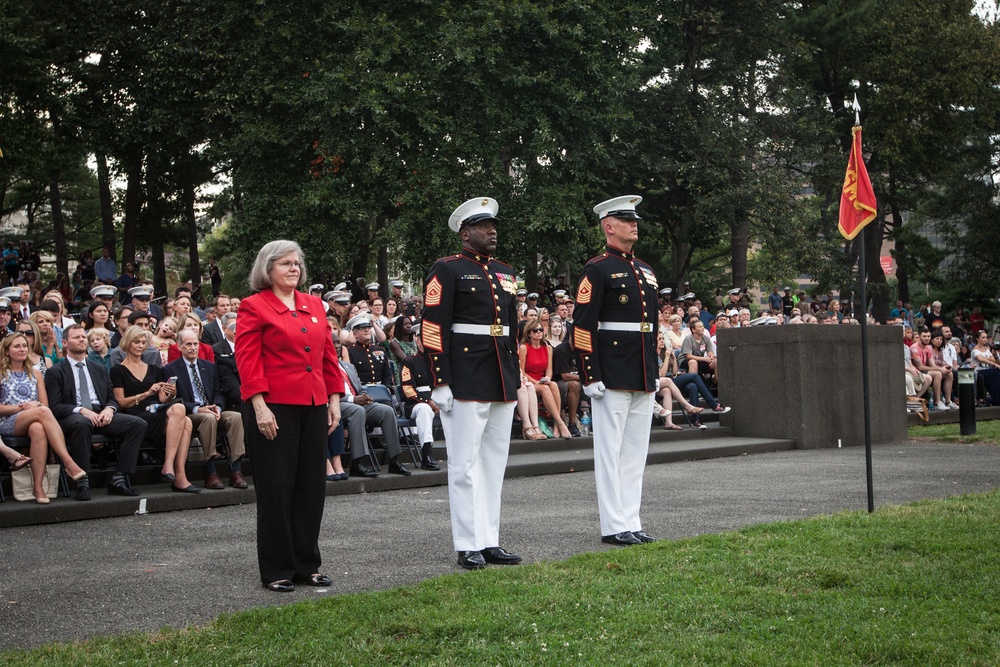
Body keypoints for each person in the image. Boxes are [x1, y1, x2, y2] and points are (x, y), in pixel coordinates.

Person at [235, 240, 343, 593]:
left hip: (314, 404)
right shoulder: (254, 306)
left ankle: (306, 565)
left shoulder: (314, 305)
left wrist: (334, 398)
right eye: (285, 263)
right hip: (273, 407)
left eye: (297, 263)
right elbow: (248, 360)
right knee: (276, 489)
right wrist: (259, 405)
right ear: (268, 270)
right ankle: (277, 569)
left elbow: (328, 355)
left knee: (311, 488)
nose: (294, 268)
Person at [421, 197, 522, 570]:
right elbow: (432, 328)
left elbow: (510, 328)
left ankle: (489, 539)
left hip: (500, 374)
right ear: (465, 234)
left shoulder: (506, 272)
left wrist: (515, 373)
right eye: (483, 227)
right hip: (464, 374)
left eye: (493, 226)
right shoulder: (446, 270)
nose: (492, 231)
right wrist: (440, 380)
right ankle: (467, 543)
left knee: (494, 463)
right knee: (464, 465)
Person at [573, 195, 659, 547]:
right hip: (611, 370)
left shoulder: (646, 270)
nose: (633, 223)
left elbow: (650, 326)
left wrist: (652, 370)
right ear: (608, 226)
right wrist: (590, 374)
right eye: (625, 219)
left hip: (641, 368)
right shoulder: (597, 268)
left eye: (634, 218)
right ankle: (613, 524)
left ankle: (632, 519)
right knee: (609, 452)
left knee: (635, 453)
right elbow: (582, 326)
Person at [0, 332, 88, 503]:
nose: (22, 349)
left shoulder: (36, 373)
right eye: (17, 346)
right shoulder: (1, 373)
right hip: (7, 422)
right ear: (6, 351)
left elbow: (45, 405)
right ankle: (68, 462)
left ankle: (38, 487)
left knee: (38, 429)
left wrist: (35, 405)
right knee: (42, 413)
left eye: (24, 345)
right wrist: (22, 408)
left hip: (34, 419)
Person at [110, 325, 198, 492]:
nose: (141, 346)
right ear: (128, 343)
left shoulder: (154, 369)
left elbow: (162, 399)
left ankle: (172, 469)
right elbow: (121, 403)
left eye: (144, 342)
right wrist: (146, 393)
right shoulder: (118, 370)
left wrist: (170, 394)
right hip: (135, 415)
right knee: (185, 421)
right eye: (136, 342)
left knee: (181, 413)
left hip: (156, 411)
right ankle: (176, 474)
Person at [164, 329, 247, 490]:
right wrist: (197, 409)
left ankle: (236, 470)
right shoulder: (170, 369)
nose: (193, 347)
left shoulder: (209, 367)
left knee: (235, 417)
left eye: (196, 344)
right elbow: (175, 399)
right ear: (179, 346)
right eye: (188, 344)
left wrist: (218, 406)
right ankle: (210, 471)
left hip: (213, 408)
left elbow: (218, 391)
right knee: (208, 419)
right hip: (190, 414)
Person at [519, 316, 571, 438]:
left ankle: (556, 424)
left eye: (541, 330)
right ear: (529, 333)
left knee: (552, 384)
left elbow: (549, 370)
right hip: (528, 381)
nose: (538, 333)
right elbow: (521, 371)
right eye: (535, 331)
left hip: (542, 380)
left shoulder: (547, 347)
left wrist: (547, 378)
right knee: (545, 388)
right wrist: (536, 381)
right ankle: (560, 423)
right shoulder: (524, 347)